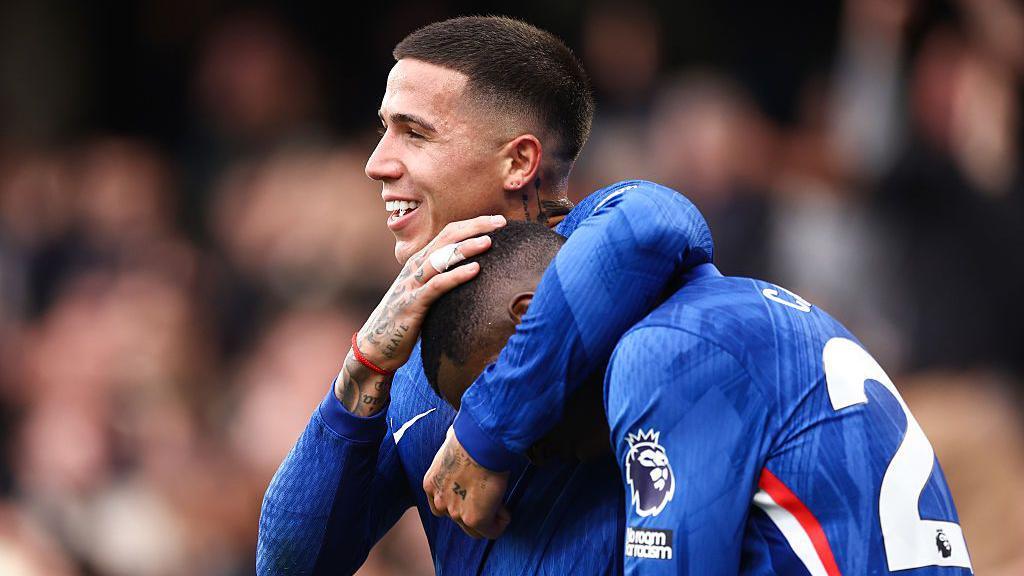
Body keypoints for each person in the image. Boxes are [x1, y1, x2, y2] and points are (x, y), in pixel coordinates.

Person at [256, 16, 714, 574]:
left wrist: (481, 434)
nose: (376, 164)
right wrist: (364, 364)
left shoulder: (626, 250)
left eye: (414, 133)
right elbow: (289, 564)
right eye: (383, 130)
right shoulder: (412, 365)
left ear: (519, 162)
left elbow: (651, 225)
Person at [421, 221, 974, 575]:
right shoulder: (736, 306)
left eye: (495, 385)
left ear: (531, 319)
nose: (522, 451)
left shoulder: (660, 356)